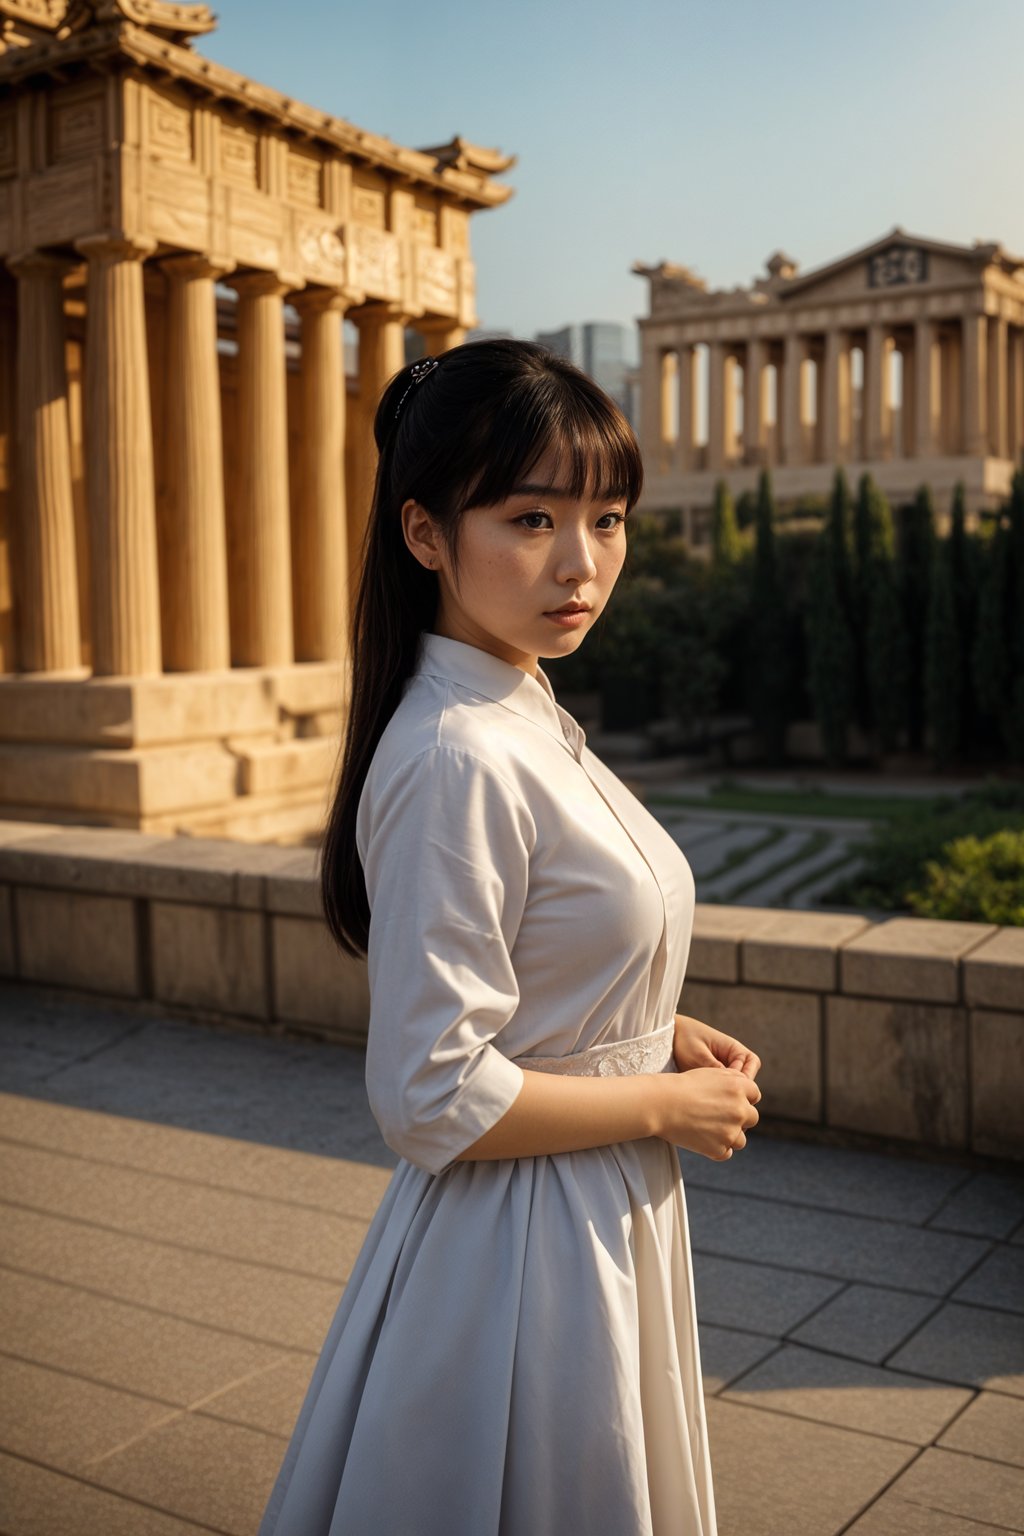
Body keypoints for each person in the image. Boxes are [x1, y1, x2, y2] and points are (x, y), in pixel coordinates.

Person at [258, 338, 763, 1536]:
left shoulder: (519, 703)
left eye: (609, 520)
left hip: (584, 1201)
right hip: (525, 1245)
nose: (581, 565)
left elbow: (543, 943)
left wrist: (649, 1027)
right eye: (532, 519)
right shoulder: (457, 751)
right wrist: (657, 1104)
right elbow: (431, 1092)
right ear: (425, 532)